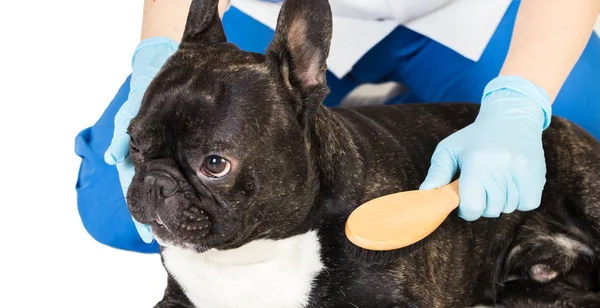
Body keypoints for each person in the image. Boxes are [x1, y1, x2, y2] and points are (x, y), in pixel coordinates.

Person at [74, 0, 600, 254]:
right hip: (279, 14)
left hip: (464, 11)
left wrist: (518, 101)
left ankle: (399, 116)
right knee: (112, 210)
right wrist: (158, 56)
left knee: (575, 147)